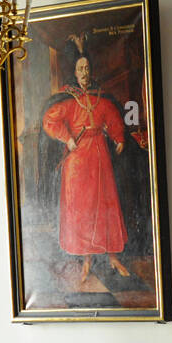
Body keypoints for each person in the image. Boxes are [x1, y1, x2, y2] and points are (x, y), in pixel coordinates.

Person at [40, 50, 130, 281]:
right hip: (78, 158)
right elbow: (50, 120)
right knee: (83, 207)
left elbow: (112, 118)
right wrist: (67, 138)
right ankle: (87, 259)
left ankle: (112, 256)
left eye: (87, 68)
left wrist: (119, 137)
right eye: (80, 68)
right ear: (74, 72)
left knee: (104, 203)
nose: (84, 72)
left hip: (99, 153)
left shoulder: (100, 96)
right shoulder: (67, 97)